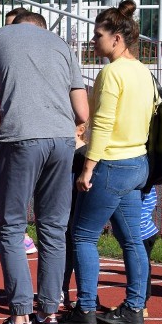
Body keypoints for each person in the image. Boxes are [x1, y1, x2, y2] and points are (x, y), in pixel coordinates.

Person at [0, 10, 88, 324]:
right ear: (41, 27)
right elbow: (82, 111)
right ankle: (49, 315)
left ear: (15, 25)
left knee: (11, 227)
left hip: (19, 138)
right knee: (53, 228)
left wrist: (4, 123)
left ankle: (20, 318)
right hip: (63, 140)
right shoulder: (62, 46)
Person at [61, 0, 153, 324]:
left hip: (111, 164)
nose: (93, 40)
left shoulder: (111, 72)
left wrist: (88, 168)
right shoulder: (143, 71)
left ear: (117, 37)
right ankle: (134, 307)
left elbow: (103, 123)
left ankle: (85, 308)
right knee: (131, 240)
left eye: (98, 34)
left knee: (83, 236)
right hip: (137, 162)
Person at [62, 122, 89, 309]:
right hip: (62, 210)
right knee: (63, 251)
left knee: (78, 249)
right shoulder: (62, 151)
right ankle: (61, 290)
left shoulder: (85, 155)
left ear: (80, 130)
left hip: (78, 210)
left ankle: (87, 296)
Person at [140, 187, 158, 317]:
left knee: (140, 266)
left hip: (142, 232)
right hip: (148, 230)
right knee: (142, 265)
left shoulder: (141, 183)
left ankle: (141, 305)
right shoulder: (149, 182)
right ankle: (140, 302)